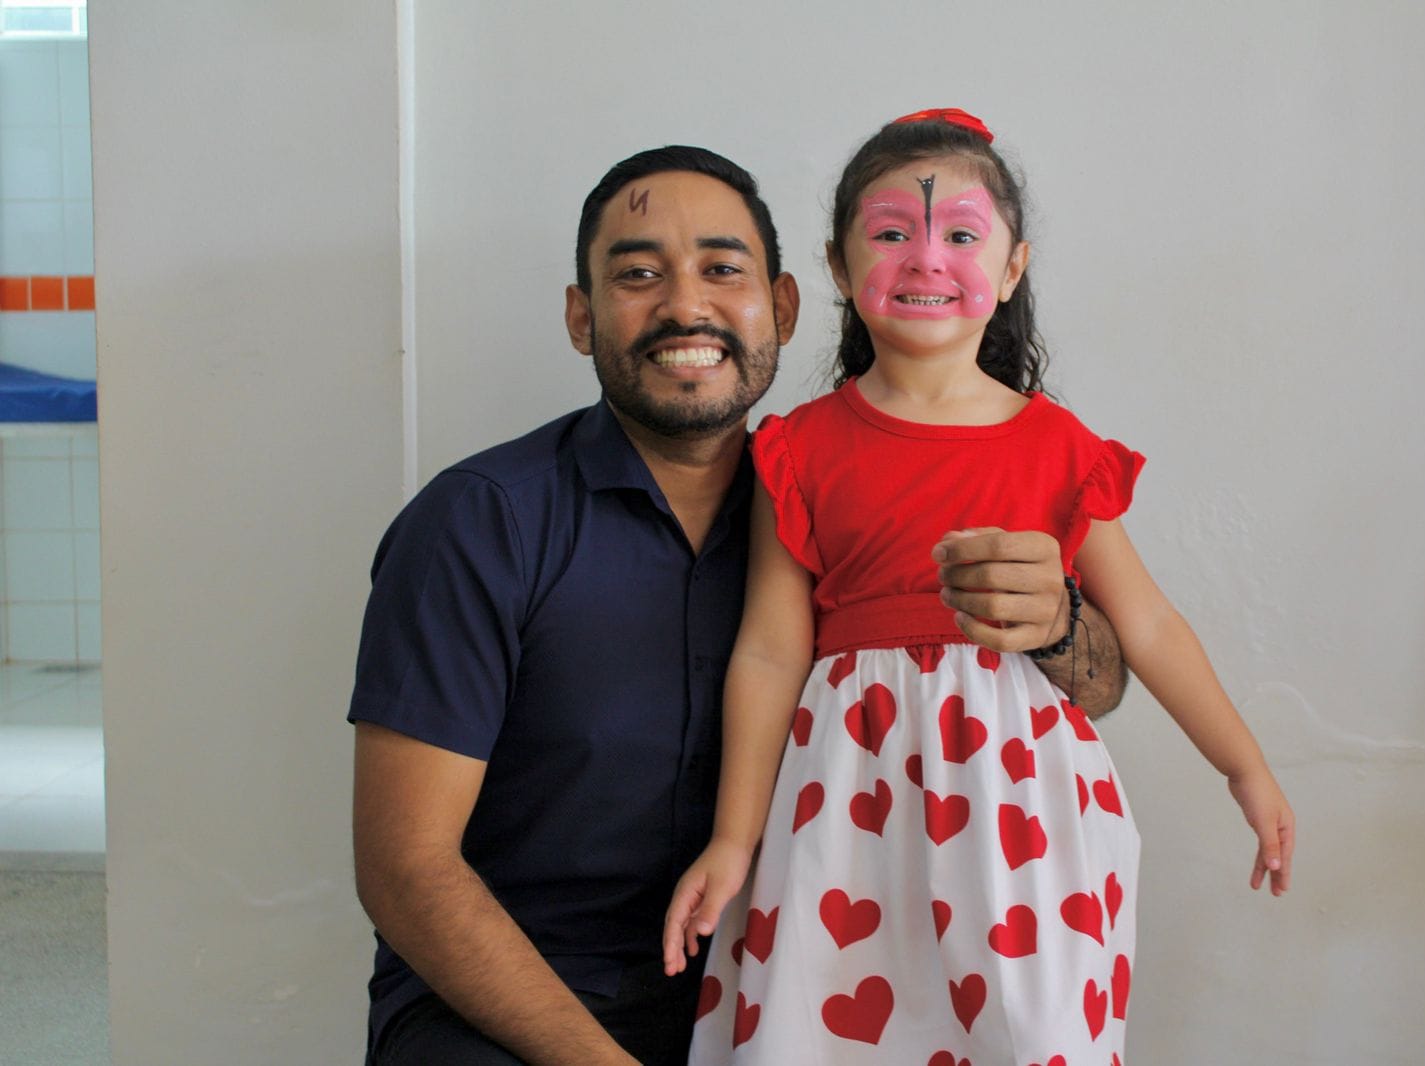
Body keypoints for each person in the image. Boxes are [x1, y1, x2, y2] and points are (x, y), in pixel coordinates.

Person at [348, 144, 1129, 1066]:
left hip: (786, 991)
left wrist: (1058, 626)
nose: (686, 306)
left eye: (723, 270)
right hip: (514, 1014)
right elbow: (406, 870)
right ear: (580, 317)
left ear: (786, 306)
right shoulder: (482, 523)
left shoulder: (837, 504)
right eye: (638, 274)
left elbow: (1100, 687)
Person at [663, 110, 1297, 1064]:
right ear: (838, 267)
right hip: (848, 801)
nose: (926, 257)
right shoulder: (798, 448)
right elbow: (769, 651)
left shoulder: (1059, 448)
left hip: (1023, 814)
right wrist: (732, 839)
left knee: (1027, 1030)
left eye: (961, 236)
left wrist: (1244, 768)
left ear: (1011, 269)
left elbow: (1150, 625)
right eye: (891, 233)